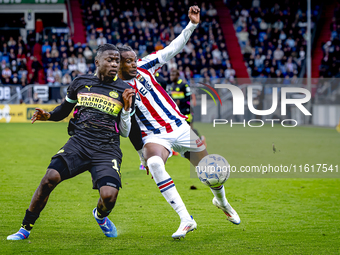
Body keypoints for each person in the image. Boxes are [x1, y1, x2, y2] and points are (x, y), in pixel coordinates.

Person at [118, 6, 240, 240]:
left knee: (210, 172)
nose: (134, 64)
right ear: (119, 64)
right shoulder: (118, 90)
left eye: (134, 60)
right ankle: (186, 219)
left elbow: (172, 49)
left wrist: (192, 25)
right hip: (154, 135)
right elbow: (127, 129)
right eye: (128, 62)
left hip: (180, 126)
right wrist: (140, 152)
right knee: (154, 163)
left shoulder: (146, 65)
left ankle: (222, 202)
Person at [7, 44, 141, 240]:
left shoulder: (126, 90)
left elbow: (126, 131)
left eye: (117, 61)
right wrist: (49, 115)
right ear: (97, 62)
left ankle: (101, 216)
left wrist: (128, 110)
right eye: (110, 60)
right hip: (79, 144)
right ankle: (25, 228)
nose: (114, 64)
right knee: (49, 179)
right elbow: (64, 109)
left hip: (107, 149)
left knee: (109, 197)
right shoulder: (80, 82)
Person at [167, 69, 206, 147]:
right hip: (178, 111)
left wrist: (180, 101)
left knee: (189, 129)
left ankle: (201, 139)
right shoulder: (171, 86)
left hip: (187, 110)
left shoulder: (183, 85)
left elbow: (189, 97)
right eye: (171, 75)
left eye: (174, 75)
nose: (172, 77)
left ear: (178, 76)